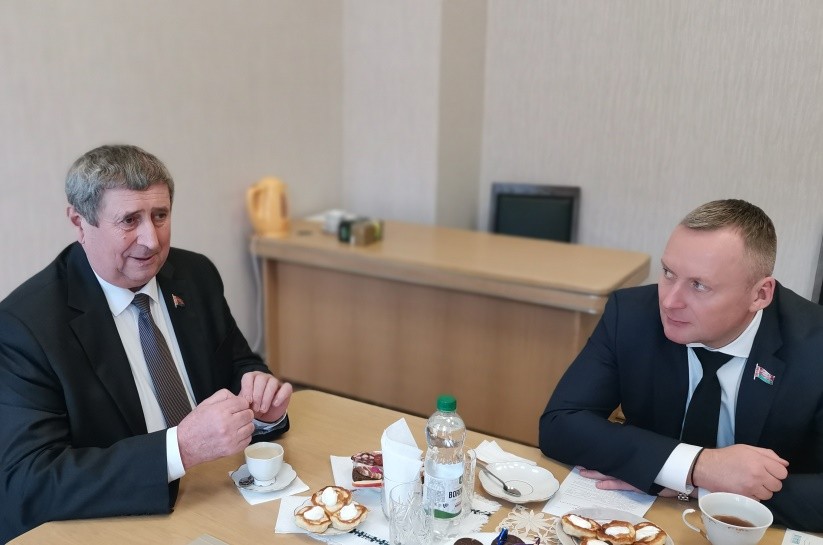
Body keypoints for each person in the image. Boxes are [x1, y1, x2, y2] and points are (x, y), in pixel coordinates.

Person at [0, 145, 293, 541]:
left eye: (160, 216)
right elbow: (30, 483)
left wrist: (263, 405)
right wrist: (180, 449)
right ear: (79, 222)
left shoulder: (196, 275)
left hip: (214, 497)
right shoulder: (25, 326)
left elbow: (239, 364)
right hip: (115, 525)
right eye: (129, 220)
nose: (151, 241)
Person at [539, 199, 823, 532]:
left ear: (760, 294)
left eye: (699, 285)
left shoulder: (814, 347)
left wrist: (698, 487)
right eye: (668, 273)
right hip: (654, 519)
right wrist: (697, 467)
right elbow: (561, 424)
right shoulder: (631, 315)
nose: (670, 301)